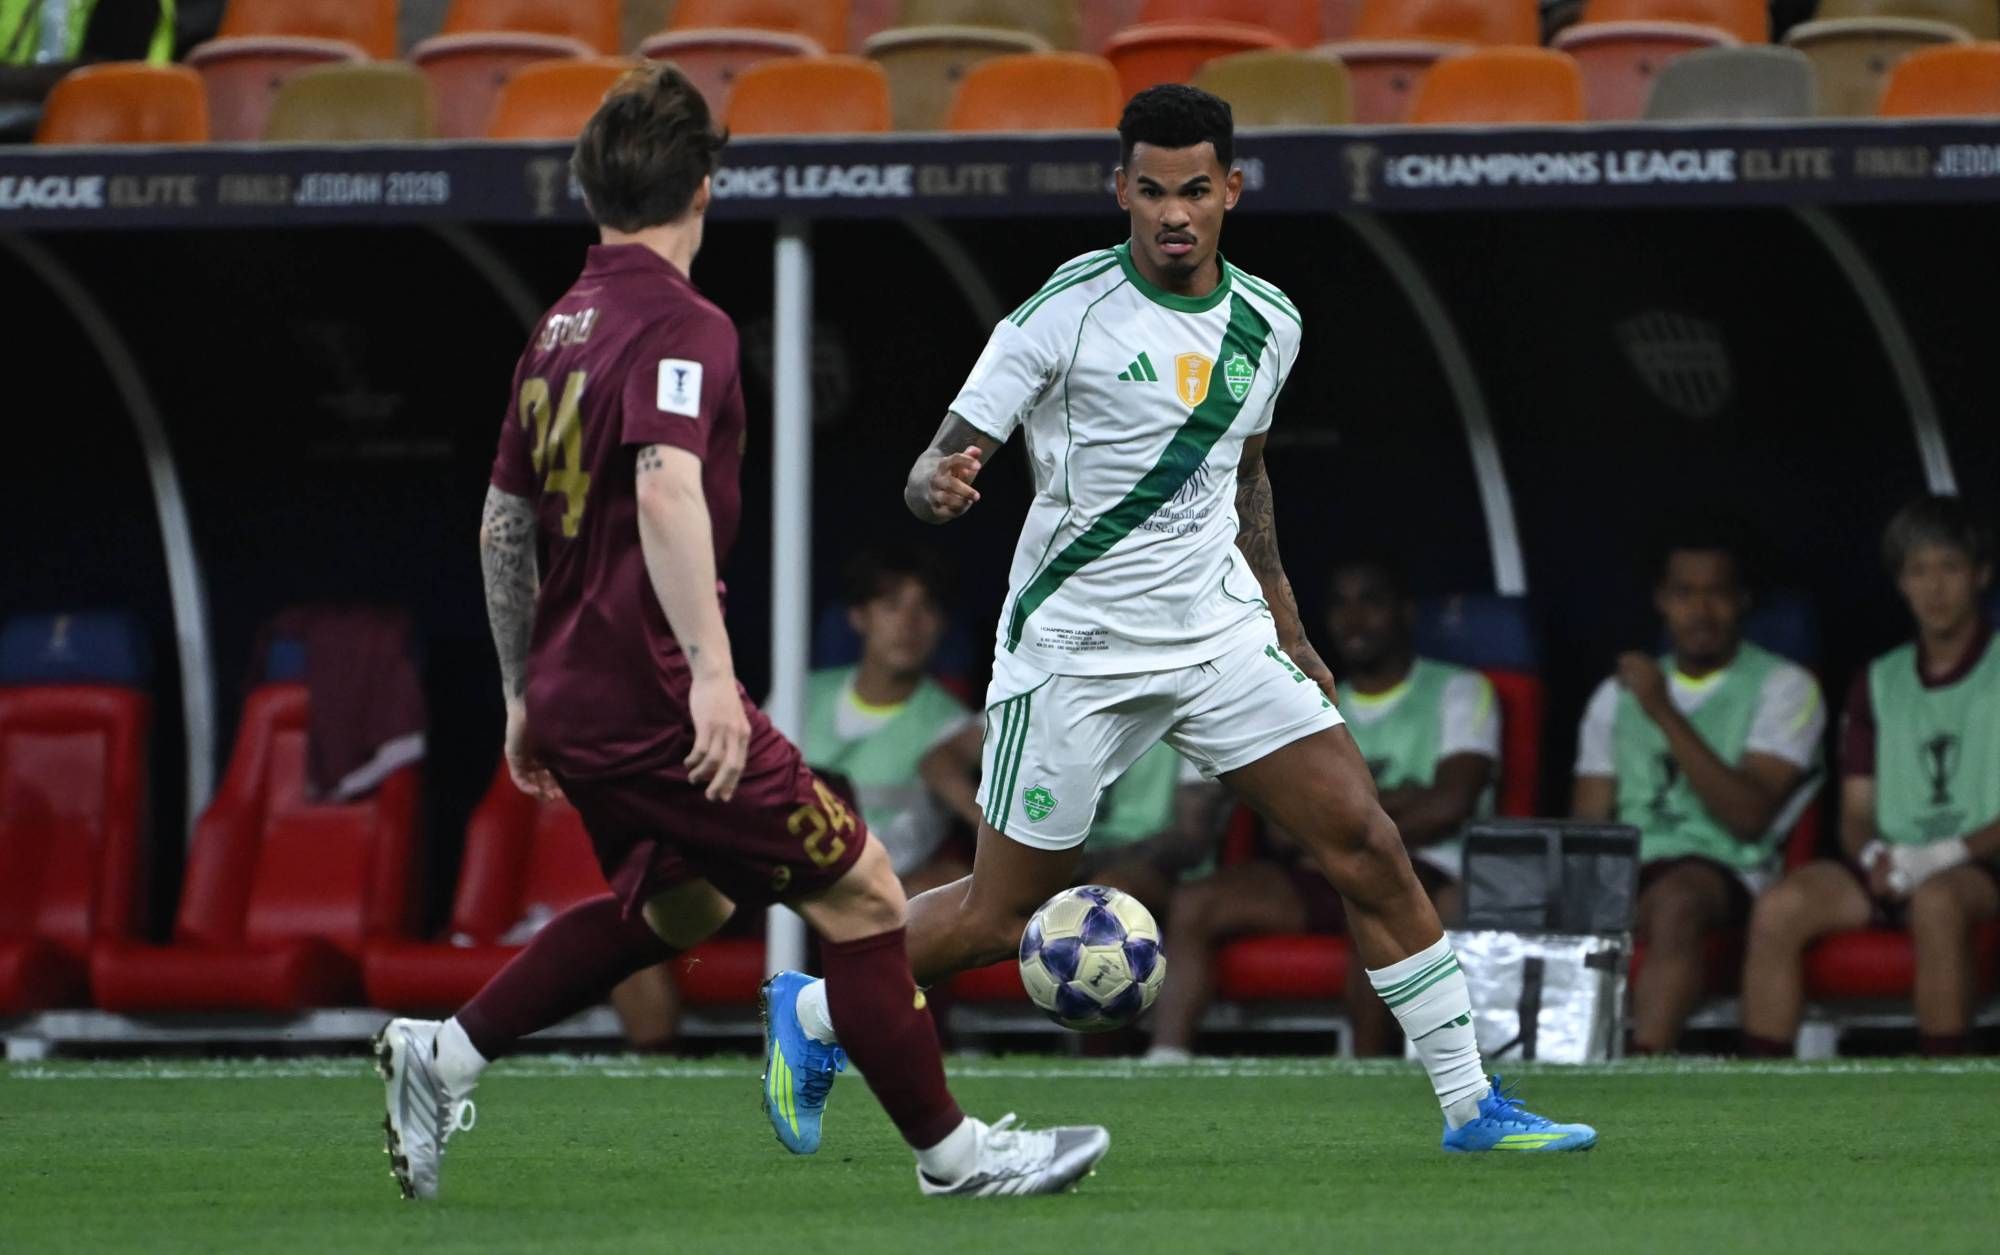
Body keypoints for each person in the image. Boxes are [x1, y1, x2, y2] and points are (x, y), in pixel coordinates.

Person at [764, 84, 1594, 1152]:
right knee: (1001, 915)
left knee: (1367, 843)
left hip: (1220, 640)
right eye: (1151, 191)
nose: (1172, 213)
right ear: (1120, 190)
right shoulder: (1061, 312)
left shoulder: (1271, 322)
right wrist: (938, 482)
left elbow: (1244, 482)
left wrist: (1289, 630)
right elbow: (941, 457)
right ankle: (816, 1011)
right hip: (1076, 651)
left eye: (1193, 190)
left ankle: (1472, 1103)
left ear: (1230, 190)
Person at [371, 63, 1107, 1203]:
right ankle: (956, 1158)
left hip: (575, 695)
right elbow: (665, 487)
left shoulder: (555, 332)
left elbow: (502, 522)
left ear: (588, 191)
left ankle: (444, 1053)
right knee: (866, 895)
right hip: (656, 693)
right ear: (704, 188)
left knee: (682, 907)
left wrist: (523, 691)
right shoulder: (685, 324)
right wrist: (712, 679)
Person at [1143, 559, 1498, 1059]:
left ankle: (1365, 1071)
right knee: (1196, 902)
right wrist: (1390, 802)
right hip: (1322, 869)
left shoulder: (1458, 688)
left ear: (1405, 612)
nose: (1353, 618)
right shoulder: (1311, 698)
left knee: (1369, 897)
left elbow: (1449, 804)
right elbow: (1283, 828)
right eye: (1340, 604)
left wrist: (1339, 813)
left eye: (1370, 600)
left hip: (1421, 870)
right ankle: (1166, 1062)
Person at [1741, 497, 2000, 1057]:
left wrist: (1938, 857)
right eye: (1918, 571)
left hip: (1981, 865)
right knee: (1780, 906)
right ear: (1901, 583)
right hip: (1896, 867)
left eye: (1950, 568)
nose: (1934, 588)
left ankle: (1942, 1094)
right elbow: (1857, 812)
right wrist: (1877, 856)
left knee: (1938, 901)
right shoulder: (1879, 679)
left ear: (1981, 575)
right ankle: (1760, 1095)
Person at [1572, 538, 1826, 1054]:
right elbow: (1589, 824)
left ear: (1743, 601)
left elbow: (1748, 815)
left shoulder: (1785, 686)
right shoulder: (1615, 695)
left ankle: (1644, 1072)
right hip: (1631, 871)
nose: (1701, 611)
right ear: (1662, 601)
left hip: (1730, 868)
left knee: (1678, 902)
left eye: (1718, 594)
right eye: (1684, 594)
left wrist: (1663, 710)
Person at [805, 548, 977, 897]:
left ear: (943, 623)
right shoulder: (799, 695)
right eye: (892, 605)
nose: (909, 624)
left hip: (882, 900)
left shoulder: (954, 728)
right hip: (784, 887)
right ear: (858, 616)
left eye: (926, 607)